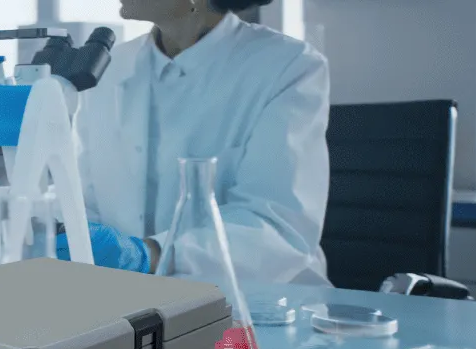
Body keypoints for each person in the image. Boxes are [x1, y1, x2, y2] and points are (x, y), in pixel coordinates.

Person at [57, 0, 331, 286]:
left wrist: (149, 254)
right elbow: (84, 201)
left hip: (265, 304)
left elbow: (276, 226)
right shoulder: (107, 68)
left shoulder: (287, 65)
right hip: (131, 299)